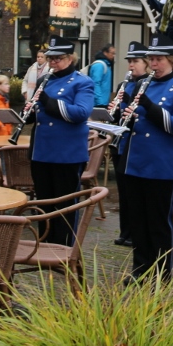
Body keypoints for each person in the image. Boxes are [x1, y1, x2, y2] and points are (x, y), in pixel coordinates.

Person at [117, 35, 173, 281]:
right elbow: (130, 122)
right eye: (151, 59)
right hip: (135, 162)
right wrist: (122, 114)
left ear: (171, 60)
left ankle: (161, 274)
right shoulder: (140, 84)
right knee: (138, 221)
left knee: (158, 223)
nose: (154, 64)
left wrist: (148, 106)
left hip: (160, 165)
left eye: (159, 59)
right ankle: (140, 269)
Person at [26, 36, 94, 247]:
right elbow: (39, 114)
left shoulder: (82, 82)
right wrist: (28, 113)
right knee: (44, 202)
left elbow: (81, 113)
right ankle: (44, 245)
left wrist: (47, 101)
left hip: (66, 154)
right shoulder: (44, 81)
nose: (53, 63)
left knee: (65, 206)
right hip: (41, 151)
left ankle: (63, 249)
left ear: (70, 58)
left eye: (58, 58)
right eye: (51, 58)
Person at [109, 41, 150, 248]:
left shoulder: (149, 84)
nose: (131, 65)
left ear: (146, 63)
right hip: (121, 143)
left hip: (137, 144)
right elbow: (117, 117)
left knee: (136, 194)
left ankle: (136, 233)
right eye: (129, 61)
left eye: (136, 61)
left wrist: (128, 100)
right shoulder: (123, 85)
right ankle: (125, 230)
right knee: (124, 192)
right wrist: (114, 109)